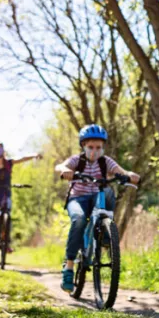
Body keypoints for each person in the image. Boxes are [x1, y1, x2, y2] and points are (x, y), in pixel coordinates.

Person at [55, 124, 140, 293]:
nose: (94, 151)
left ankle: (106, 230)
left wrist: (129, 175)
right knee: (78, 219)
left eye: (98, 147)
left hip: (97, 197)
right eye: (90, 147)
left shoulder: (105, 161)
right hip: (77, 199)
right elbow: (60, 166)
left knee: (108, 191)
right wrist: (66, 170)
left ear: (103, 147)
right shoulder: (77, 160)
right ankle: (69, 266)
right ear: (83, 146)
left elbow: (120, 171)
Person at [0, 141, 41, 245]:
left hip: (5, 194)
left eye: (0, 147)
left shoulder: (8, 163)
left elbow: (22, 158)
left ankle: (5, 241)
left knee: (7, 215)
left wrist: (34, 155)